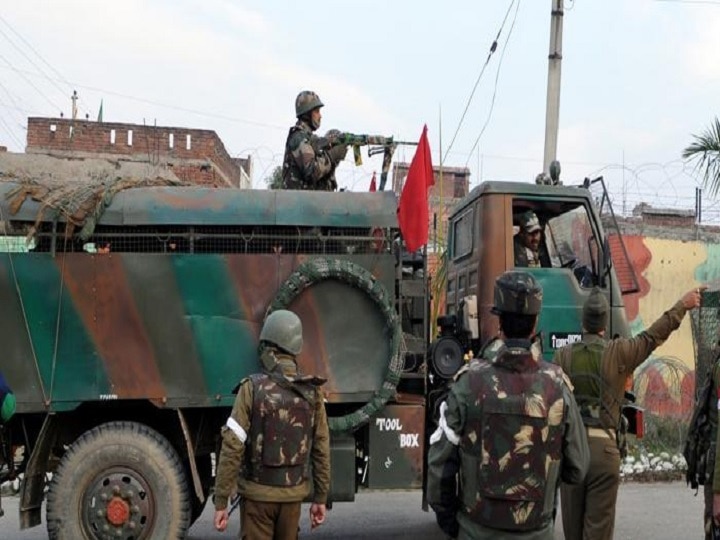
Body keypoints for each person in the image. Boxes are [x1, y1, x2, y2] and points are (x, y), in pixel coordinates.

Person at [427, 270, 589, 540]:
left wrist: (455, 524)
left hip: (476, 530)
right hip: (536, 532)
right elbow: (578, 467)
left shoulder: (469, 383)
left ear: (499, 321)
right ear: (535, 322)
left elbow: (439, 467)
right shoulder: (557, 387)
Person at [554, 286, 703, 540]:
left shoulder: (562, 356)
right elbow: (653, 336)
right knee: (598, 531)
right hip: (606, 453)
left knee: (572, 532)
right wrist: (683, 304)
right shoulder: (619, 352)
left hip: (572, 453)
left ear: (583, 321)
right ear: (604, 323)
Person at [213, 309, 331, 539]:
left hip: (257, 500)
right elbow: (321, 447)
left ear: (268, 346)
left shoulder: (251, 388)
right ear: (296, 347)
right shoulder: (312, 393)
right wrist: (320, 499)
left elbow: (232, 446)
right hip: (292, 498)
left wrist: (221, 501)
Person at [282, 90, 348, 191]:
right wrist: (331, 156)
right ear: (307, 113)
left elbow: (319, 143)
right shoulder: (298, 137)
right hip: (297, 203)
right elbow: (311, 172)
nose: (320, 116)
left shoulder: (309, 138)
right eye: (316, 111)